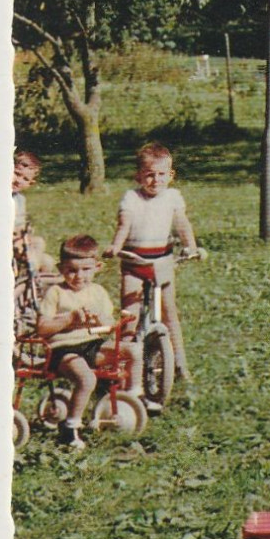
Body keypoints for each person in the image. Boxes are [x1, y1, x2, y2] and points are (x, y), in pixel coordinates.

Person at [104, 142, 200, 383]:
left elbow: (181, 224)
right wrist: (116, 246)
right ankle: (122, 365)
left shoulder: (172, 197)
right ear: (138, 176)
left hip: (162, 261)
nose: (155, 180)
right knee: (130, 313)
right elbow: (123, 225)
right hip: (134, 262)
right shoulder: (131, 198)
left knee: (169, 312)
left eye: (161, 175)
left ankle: (179, 363)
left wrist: (191, 246)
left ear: (170, 176)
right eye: (149, 175)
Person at [36, 235, 141, 449]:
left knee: (134, 351)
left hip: (92, 345)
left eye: (86, 270)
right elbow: (42, 329)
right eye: (71, 270)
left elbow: (109, 322)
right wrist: (70, 319)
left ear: (97, 267)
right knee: (86, 379)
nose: (78, 276)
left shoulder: (98, 292)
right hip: (63, 349)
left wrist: (100, 319)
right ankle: (70, 427)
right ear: (60, 268)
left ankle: (133, 396)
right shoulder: (56, 293)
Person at [12, 149, 56, 288]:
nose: (19, 181)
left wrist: (25, 233)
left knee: (47, 260)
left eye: (25, 179)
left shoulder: (19, 200)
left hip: (17, 242)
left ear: (30, 183)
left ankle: (35, 291)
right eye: (17, 174)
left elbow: (20, 223)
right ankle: (29, 274)